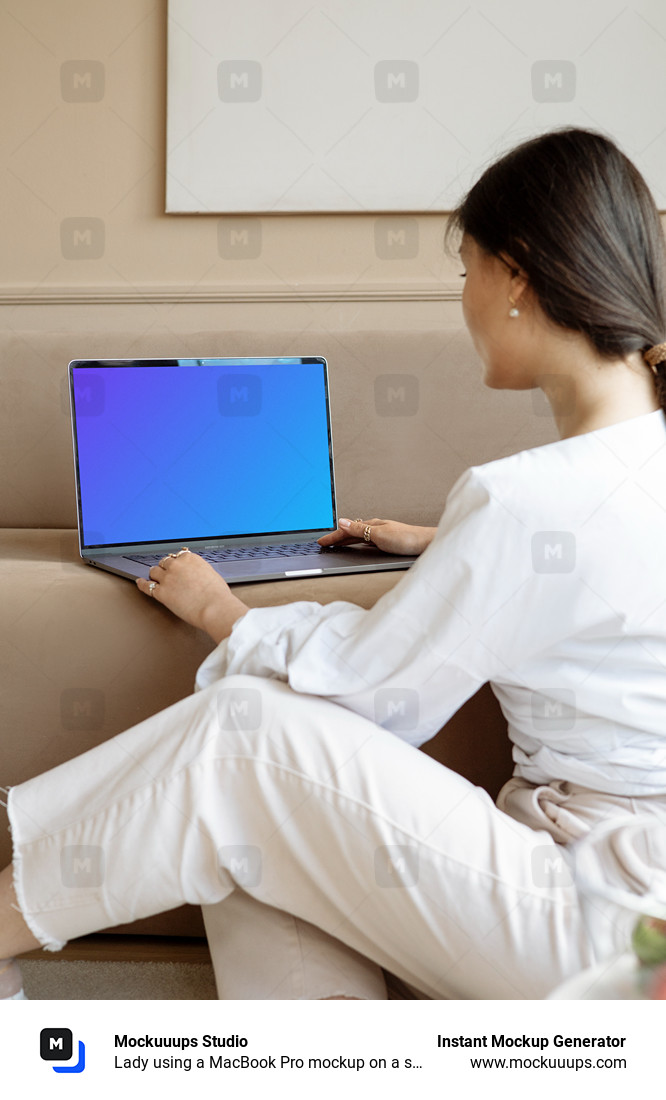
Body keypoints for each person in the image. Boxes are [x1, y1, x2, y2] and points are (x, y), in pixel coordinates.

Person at [2, 125, 666, 1002]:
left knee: (244, 734)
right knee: (255, 838)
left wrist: (217, 610)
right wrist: (450, 547)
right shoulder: (606, 478)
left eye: (466, 268)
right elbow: (610, 568)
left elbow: (376, 696)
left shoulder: (527, 503)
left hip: (606, 926)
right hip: (625, 909)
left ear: (518, 274)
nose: (462, 296)